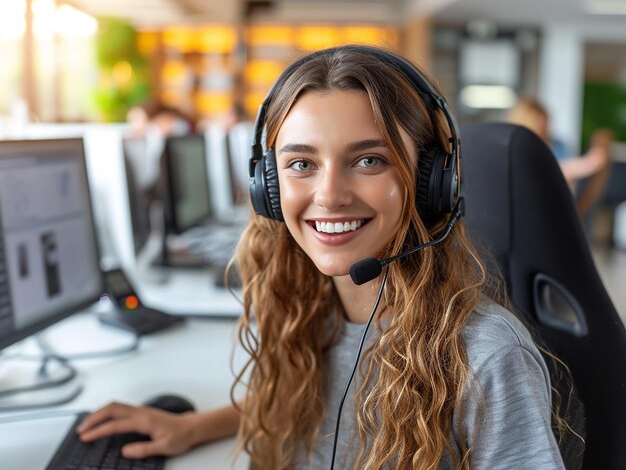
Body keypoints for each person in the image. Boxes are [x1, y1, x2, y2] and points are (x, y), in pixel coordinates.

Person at [77, 45, 574, 468]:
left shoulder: (484, 355)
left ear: (431, 183)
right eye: (301, 163)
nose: (329, 194)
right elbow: (309, 406)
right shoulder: (305, 305)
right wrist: (193, 427)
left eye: (369, 160)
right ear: (267, 188)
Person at [506, 97, 611, 189]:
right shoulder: (513, 152)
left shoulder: (558, 146)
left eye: (545, 127)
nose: (544, 133)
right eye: (539, 128)